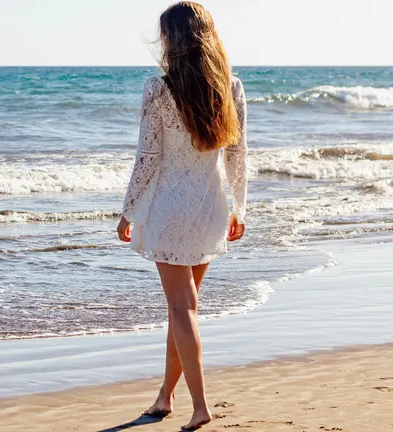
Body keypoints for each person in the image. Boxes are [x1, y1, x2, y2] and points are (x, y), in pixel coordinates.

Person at [116, 2, 248, 430]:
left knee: (181, 308)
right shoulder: (231, 87)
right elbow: (238, 155)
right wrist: (240, 207)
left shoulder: (158, 89)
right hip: (210, 208)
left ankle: (200, 406)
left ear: (173, 39)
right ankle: (164, 397)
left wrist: (128, 210)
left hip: (169, 210)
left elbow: (147, 158)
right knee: (185, 309)